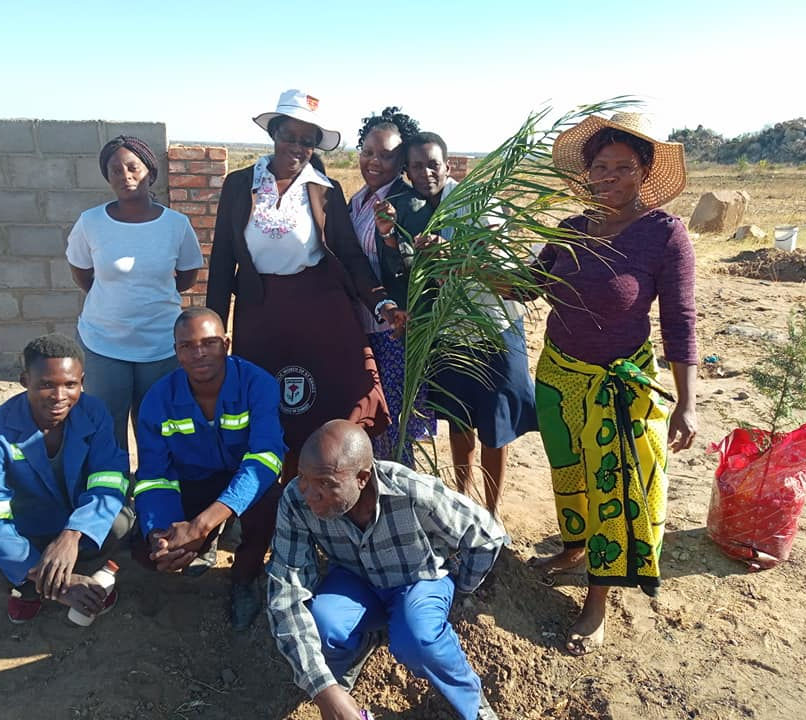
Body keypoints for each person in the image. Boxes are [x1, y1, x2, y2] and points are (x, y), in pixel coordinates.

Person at [529, 112, 698, 655]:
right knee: (569, 472)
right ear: (587, 173)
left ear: (643, 171)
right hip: (558, 376)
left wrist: (687, 403)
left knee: (614, 491)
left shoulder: (664, 235)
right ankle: (573, 547)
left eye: (623, 167)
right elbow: (525, 287)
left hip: (619, 388)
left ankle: (597, 602)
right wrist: (459, 259)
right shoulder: (570, 230)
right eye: (600, 167)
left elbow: (680, 319)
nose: (610, 177)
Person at [205, 89, 407, 482]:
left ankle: (323, 485)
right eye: (289, 136)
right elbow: (222, 260)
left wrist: (381, 303)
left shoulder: (324, 189)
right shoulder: (239, 185)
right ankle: (266, 499)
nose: (297, 147)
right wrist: (214, 325)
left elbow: (350, 257)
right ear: (274, 133)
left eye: (307, 141)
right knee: (266, 406)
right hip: (259, 312)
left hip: (319, 311)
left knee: (328, 403)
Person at [267, 420, 506, 720]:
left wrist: (461, 585)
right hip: (354, 581)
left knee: (418, 640)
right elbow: (286, 591)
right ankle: (355, 653)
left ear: (363, 478)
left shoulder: (412, 492)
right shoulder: (295, 500)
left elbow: (487, 534)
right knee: (323, 624)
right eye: (303, 477)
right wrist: (322, 688)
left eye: (326, 483)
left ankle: (473, 705)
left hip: (416, 582)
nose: (310, 493)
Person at [376, 131, 539, 513]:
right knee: (458, 419)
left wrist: (455, 256)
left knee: (495, 427)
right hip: (448, 334)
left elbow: (500, 260)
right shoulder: (412, 209)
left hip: (493, 329)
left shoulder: (478, 204)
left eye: (433, 164)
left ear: (447, 166)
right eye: (416, 166)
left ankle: (492, 510)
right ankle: (464, 502)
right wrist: (389, 238)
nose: (425, 172)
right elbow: (405, 272)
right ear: (407, 171)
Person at [133, 307, 286, 630]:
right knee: (142, 552)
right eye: (187, 346)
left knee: (268, 502)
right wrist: (160, 533)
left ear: (227, 344)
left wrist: (201, 525)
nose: (199, 353)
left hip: (244, 480)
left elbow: (265, 459)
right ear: (176, 351)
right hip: (194, 481)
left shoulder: (258, 384)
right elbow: (154, 475)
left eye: (210, 343)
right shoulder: (158, 399)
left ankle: (245, 578)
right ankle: (204, 542)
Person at [0, 334, 133, 624]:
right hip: (28, 533)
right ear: (24, 381)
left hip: (76, 526)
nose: (60, 396)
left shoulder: (94, 413)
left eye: (70, 384)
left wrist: (72, 534)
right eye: (46, 385)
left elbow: (110, 481)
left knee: (120, 522)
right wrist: (61, 584)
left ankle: (78, 575)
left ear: (82, 381)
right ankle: (36, 591)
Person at [66, 135, 204, 452]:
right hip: (104, 343)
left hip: (160, 345)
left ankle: (152, 492)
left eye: (133, 168)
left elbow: (186, 278)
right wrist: (116, 299)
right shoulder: (91, 222)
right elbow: (83, 274)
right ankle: (112, 495)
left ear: (150, 173)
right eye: (116, 170)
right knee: (105, 428)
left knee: (156, 426)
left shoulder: (176, 225)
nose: (125, 176)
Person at [348, 107, 434, 464]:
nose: (374, 161)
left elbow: (414, 271)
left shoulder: (408, 203)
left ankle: (400, 501)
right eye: (368, 152)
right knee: (370, 419)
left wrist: (391, 238)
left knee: (395, 425)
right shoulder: (358, 201)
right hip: (360, 327)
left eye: (386, 155)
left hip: (394, 332)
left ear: (401, 161)